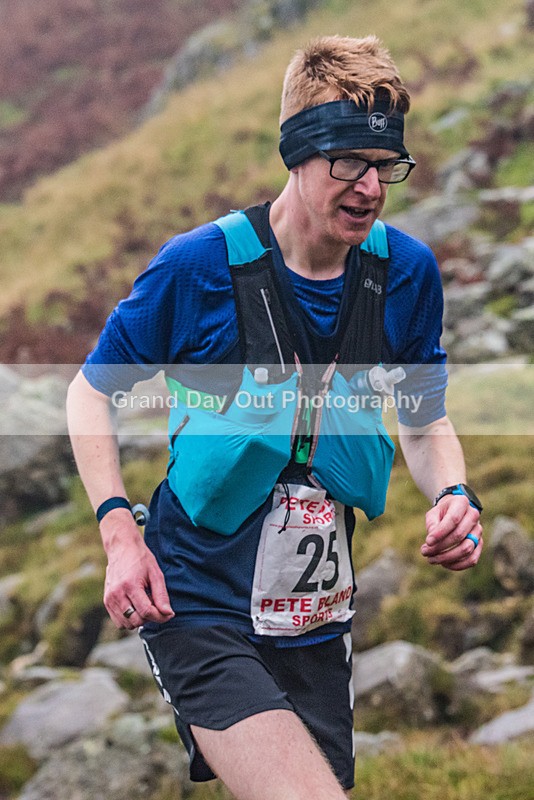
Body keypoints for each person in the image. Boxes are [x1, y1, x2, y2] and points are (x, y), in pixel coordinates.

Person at [67, 35, 484, 800]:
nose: (369, 187)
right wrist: (119, 533)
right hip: (196, 605)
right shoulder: (199, 268)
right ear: (297, 152)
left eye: (384, 165)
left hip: (316, 626)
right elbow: (91, 392)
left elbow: (425, 422)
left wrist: (453, 496)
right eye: (348, 162)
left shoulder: (406, 275)